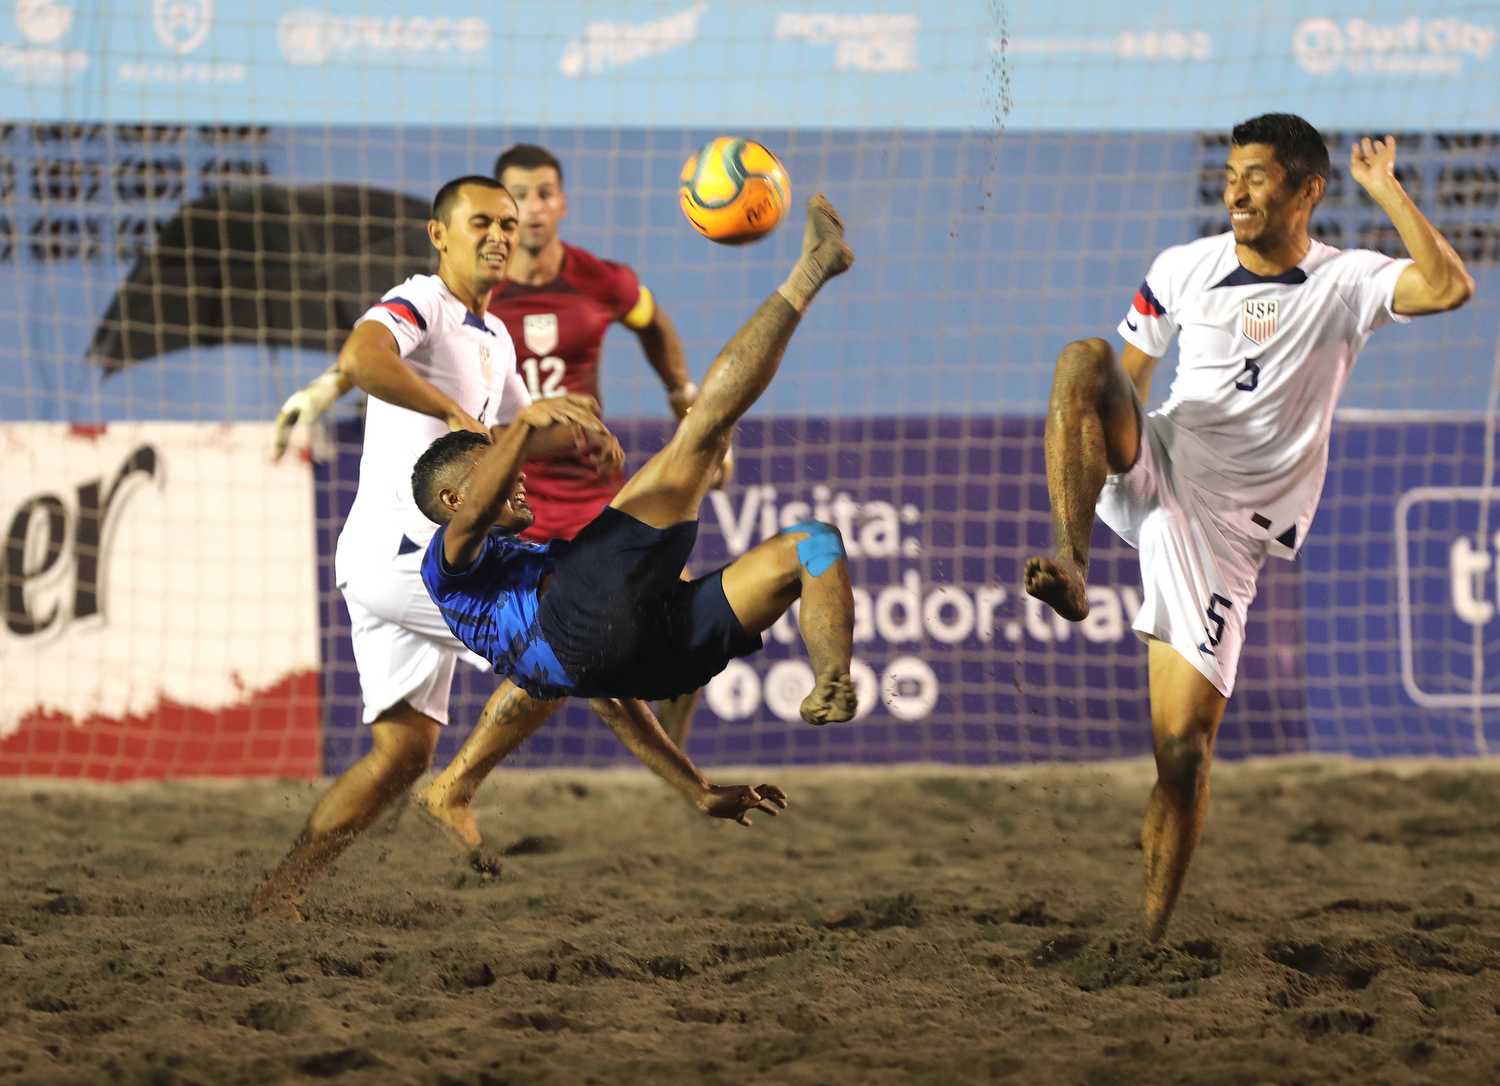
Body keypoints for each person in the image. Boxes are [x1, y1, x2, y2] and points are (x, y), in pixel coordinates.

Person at [1023, 114, 1475, 941]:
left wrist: (1387, 191)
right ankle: (1073, 565)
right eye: (1232, 174)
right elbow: (1118, 382)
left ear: (1308, 191)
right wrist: (1105, 461)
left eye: (1259, 176)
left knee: (1183, 756)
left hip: (1226, 531)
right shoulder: (1182, 267)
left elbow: (1449, 288)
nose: (1236, 189)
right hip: (1160, 461)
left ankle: (1150, 941)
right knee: (1082, 359)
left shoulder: (1348, 283)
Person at [411, 194, 857, 844]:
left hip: (638, 662)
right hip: (585, 633)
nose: (517, 476)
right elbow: (476, 512)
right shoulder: (448, 565)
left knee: (814, 545)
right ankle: (812, 270)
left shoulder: (536, 589)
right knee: (702, 433)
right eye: (497, 470)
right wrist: (526, 424)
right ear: (453, 501)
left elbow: (616, 703)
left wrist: (697, 789)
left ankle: (832, 680)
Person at [253, 175, 623, 918]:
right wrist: (449, 408)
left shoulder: (494, 337)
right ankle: (458, 789)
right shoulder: (423, 299)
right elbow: (362, 358)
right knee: (564, 643)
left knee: (400, 756)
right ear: (439, 234)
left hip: (399, 563)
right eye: (481, 221)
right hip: (405, 557)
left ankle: (277, 898)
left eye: (509, 225)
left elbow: (518, 431)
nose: (499, 235)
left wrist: (578, 431)